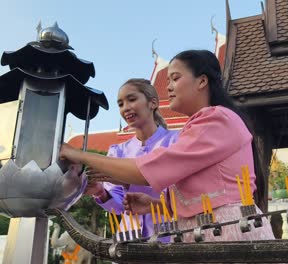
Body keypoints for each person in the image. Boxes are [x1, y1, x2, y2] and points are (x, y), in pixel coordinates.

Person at [60, 50, 274, 242]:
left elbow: (146, 170)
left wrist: (79, 155)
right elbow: (201, 195)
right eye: (120, 104)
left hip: (226, 232)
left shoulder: (216, 121)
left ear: (201, 81)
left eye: (175, 78)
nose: (168, 87)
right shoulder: (199, 127)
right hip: (196, 232)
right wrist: (155, 204)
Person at [84, 78, 178, 240]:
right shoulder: (117, 152)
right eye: (120, 104)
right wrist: (101, 192)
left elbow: (184, 193)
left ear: (153, 103)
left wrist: (129, 181)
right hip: (128, 238)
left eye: (132, 99)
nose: (125, 108)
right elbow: (120, 207)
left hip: (169, 234)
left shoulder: (176, 141)